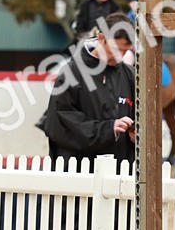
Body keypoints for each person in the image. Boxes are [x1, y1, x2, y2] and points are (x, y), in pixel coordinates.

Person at [41, 12, 136, 167]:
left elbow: (143, 119)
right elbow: (58, 124)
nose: (119, 57)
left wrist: (135, 134)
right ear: (101, 38)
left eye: (125, 51)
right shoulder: (72, 73)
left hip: (118, 178)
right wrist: (108, 129)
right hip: (78, 176)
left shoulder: (131, 75)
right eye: (115, 49)